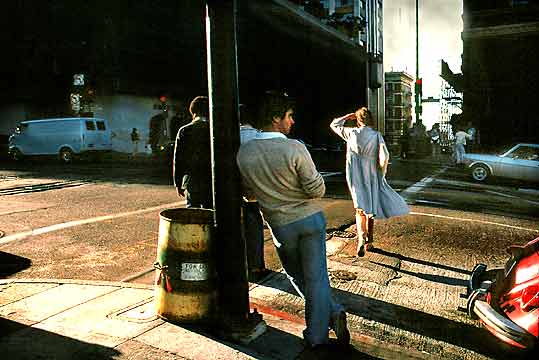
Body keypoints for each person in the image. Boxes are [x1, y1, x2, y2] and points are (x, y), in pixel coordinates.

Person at [237, 91, 350, 348]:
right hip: (310, 220)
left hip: (279, 225)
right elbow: (317, 189)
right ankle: (318, 333)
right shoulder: (295, 147)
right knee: (317, 278)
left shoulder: (244, 153)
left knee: (296, 276)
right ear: (275, 118)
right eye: (289, 116)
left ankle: (331, 313)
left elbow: (249, 195)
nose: (292, 122)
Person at [330, 107, 409, 257]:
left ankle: (361, 239)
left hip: (354, 173)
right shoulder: (376, 135)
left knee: (360, 208)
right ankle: (369, 242)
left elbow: (334, 124)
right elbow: (385, 156)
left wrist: (348, 116)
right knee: (371, 208)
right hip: (371, 173)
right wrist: (381, 172)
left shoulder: (351, 133)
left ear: (358, 119)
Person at [238, 104, 268, 282]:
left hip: (236, 188)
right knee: (255, 226)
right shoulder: (259, 136)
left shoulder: (232, 135)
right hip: (256, 188)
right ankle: (256, 265)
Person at [173, 96, 212, 209]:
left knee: (192, 212)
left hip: (192, 180)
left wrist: (178, 183)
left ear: (193, 112)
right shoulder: (215, 130)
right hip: (211, 180)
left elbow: (178, 159)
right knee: (210, 213)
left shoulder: (185, 130)